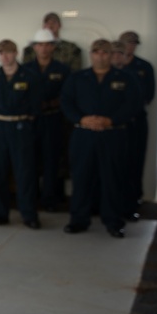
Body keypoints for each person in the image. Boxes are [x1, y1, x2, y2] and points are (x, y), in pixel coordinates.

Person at [61, 39, 141, 237]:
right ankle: (79, 219)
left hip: (113, 135)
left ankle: (113, 221)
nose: (100, 55)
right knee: (81, 178)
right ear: (91, 54)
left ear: (111, 54)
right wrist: (81, 119)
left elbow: (133, 105)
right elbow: (66, 103)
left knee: (112, 178)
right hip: (83, 135)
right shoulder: (77, 77)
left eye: (105, 52)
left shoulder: (125, 78)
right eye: (96, 52)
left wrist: (110, 120)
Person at [0, 39, 42, 228]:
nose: (5, 56)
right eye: (1, 53)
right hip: (0, 126)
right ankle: (0, 213)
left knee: (25, 173)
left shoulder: (29, 76)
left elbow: (36, 105)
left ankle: (29, 214)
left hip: (21, 126)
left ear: (16, 53)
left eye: (9, 52)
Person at [23, 29, 70, 212]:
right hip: (30, 120)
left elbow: (67, 96)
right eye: (40, 45)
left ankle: (49, 199)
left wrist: (50, 103)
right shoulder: (25, 69)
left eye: (47, 45)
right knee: (30, 160)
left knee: (51, 160)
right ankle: (31, 198)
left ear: (53, 47)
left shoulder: (63, 70)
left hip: (53, 119)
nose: (43, 48)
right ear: (34, 47)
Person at [119, 30, 156, 219]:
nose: (129, 46)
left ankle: (134, 200)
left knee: (135, 161)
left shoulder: (144, 67)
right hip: (116, 123)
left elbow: (148, 95)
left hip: (136, 121)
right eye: (126, 42)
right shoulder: (113, 66)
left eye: (133, 43)